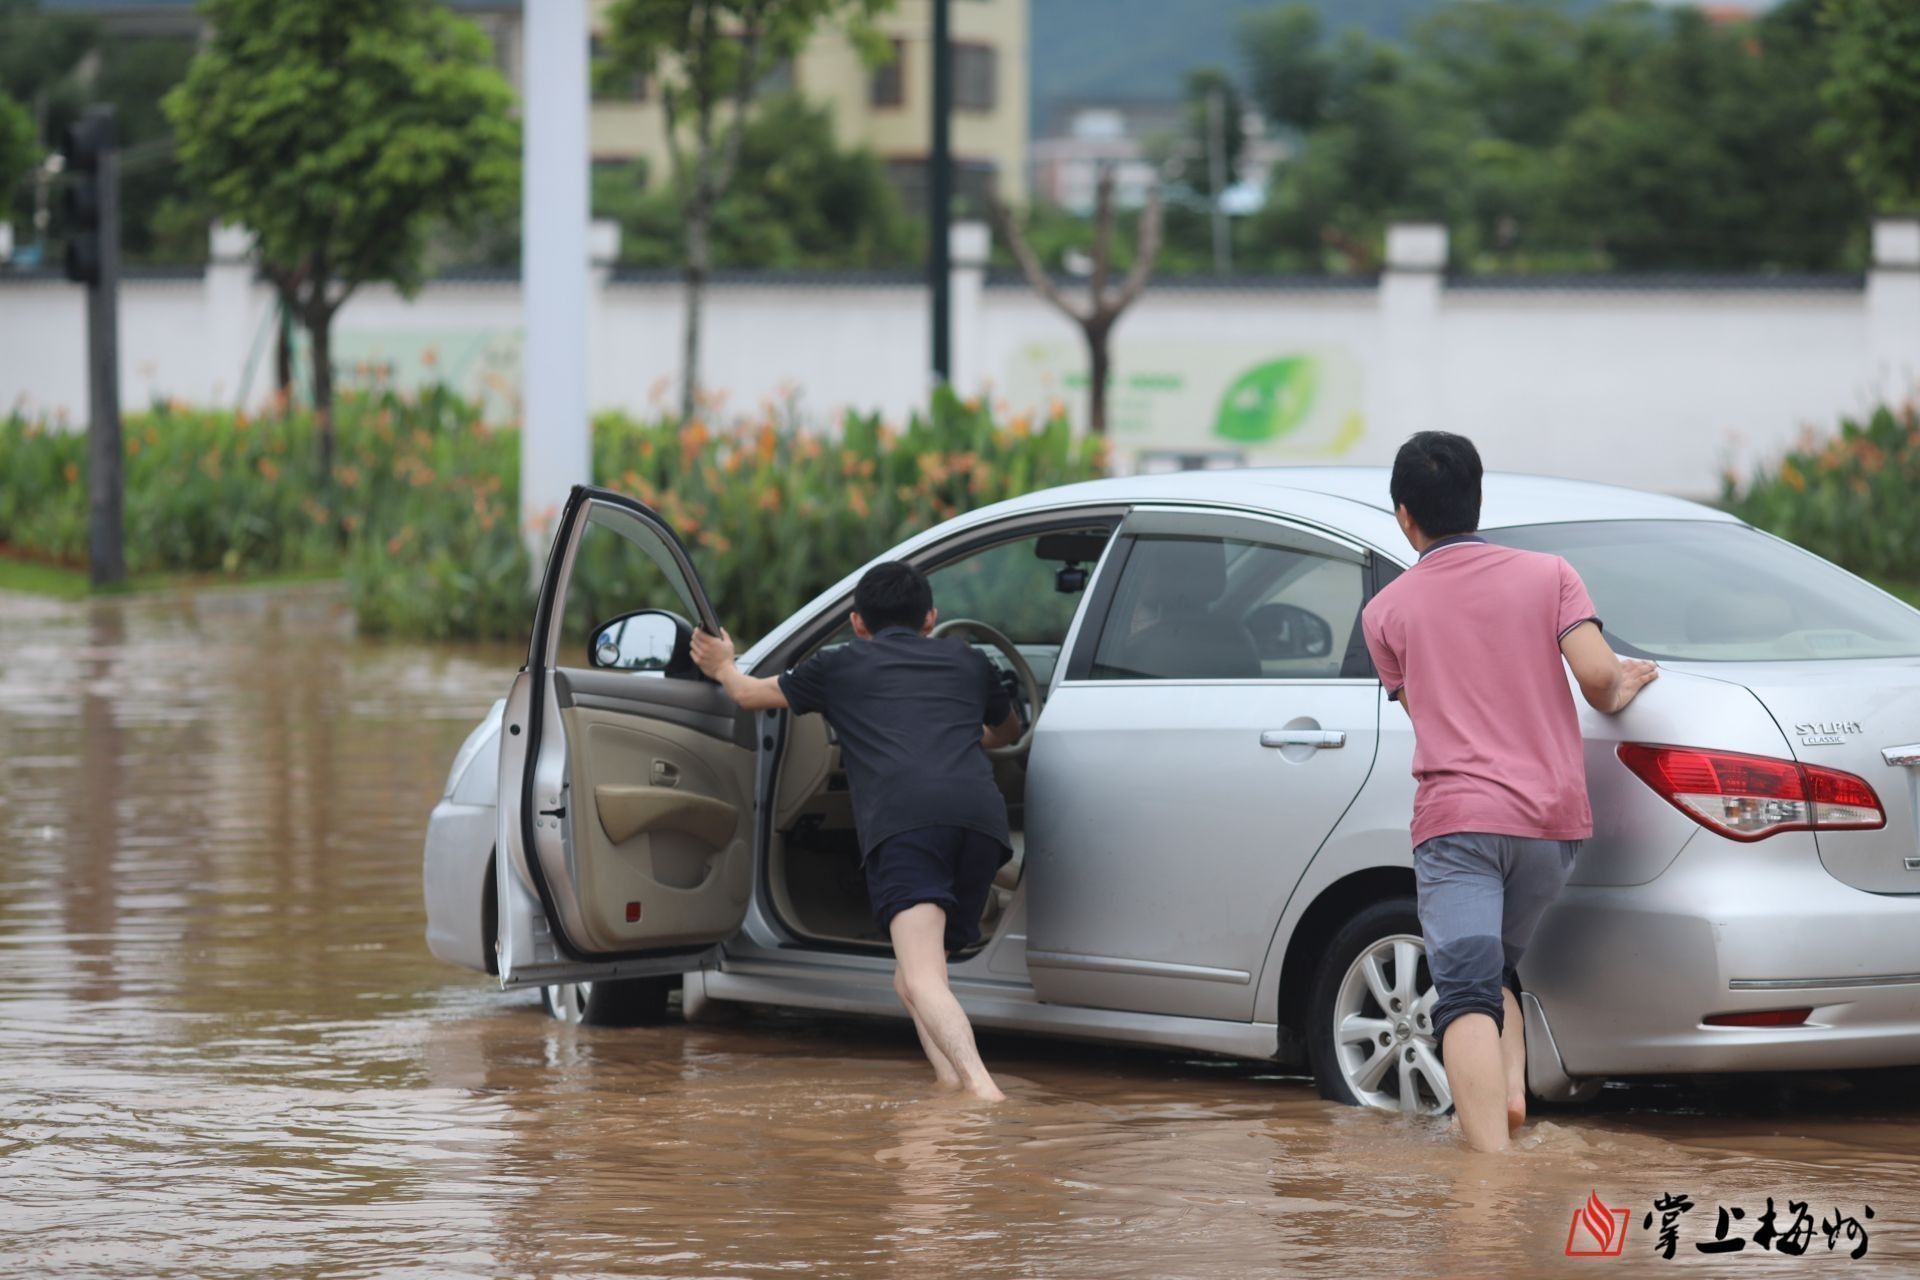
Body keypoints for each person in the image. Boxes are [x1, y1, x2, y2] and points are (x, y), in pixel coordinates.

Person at [1361, 432, 1658, 1153]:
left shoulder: (1384, 614)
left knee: (1463, 991)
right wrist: (1627, 681)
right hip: (1553, 824)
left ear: (1405, 516)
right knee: (1493, 967)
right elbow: (1597, 679)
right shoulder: (1550, 575)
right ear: (1477, 496)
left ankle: (1487, 1181)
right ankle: (1512, 1096)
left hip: (1459, 825)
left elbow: (1425, 711)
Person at [690, 561, 1021, 1102]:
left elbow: (748, 695)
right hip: (981, 823)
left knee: (920, 979)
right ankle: (949, 1090)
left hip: (906, 825)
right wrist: (954, 732)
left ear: (857, 623)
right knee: (912, 977)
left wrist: (724, 664)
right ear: (931, 618)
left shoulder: (840, 665)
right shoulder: (968, 659)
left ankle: (985, 1096)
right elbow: (1006, 732)